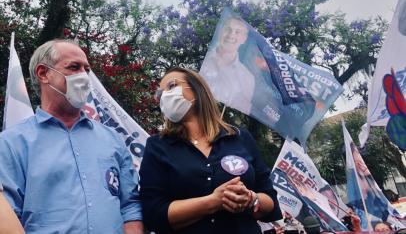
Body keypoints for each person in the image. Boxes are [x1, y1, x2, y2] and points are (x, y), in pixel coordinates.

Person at [0, 40, 143, 233]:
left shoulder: (112, 139)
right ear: (43, 74)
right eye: (74, 67)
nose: (84, 75)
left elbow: (130, 205)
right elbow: (7, 214)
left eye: (87, 69)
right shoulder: (11, 143)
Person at [139, 67, 282, 234]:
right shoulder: (157, 146)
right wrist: (213, 201)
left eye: (171, 86)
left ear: (197, 89)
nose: (164, 95)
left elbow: (270, 201)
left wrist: (251, 199)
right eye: (159, 94)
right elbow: (153, 214)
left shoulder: (240, 137)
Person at [199, 17, 255, 114]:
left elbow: (240, 112)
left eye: (237, 32)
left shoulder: (247, 78)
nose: (231, 35)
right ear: (221, 32)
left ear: (244, 39)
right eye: (228, 29)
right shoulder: (201, 57)